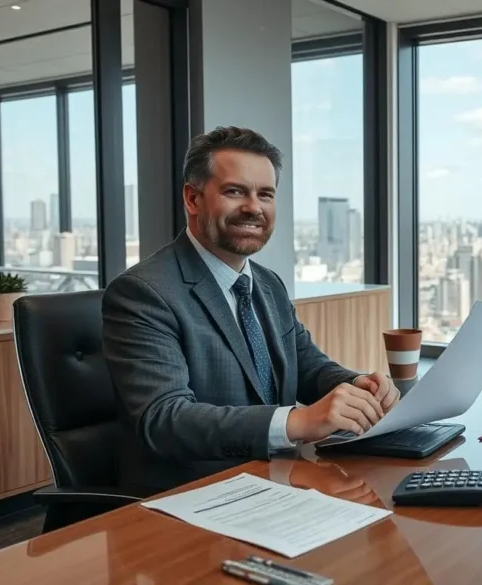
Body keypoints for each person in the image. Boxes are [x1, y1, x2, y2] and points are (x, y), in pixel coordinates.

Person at [102, 126, 399, 494]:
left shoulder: (267, 283)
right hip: (190, 496)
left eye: (266, 194)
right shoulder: (143, 293)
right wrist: (297, 422)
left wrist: (355, 385)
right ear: (193, 199)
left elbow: (307, 365)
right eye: (234, 191)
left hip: (274, 480)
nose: (254, 207)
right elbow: (165, 420)